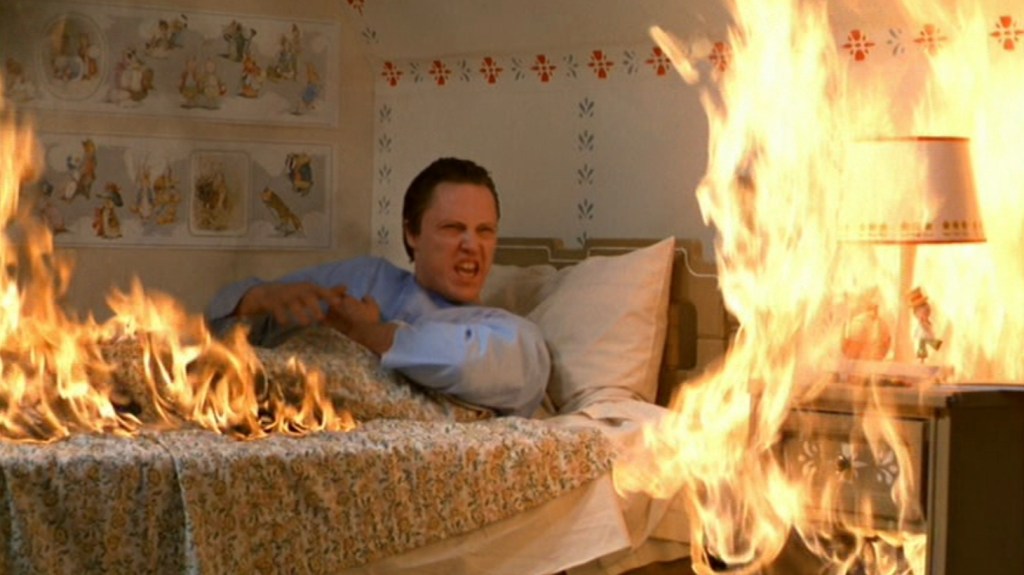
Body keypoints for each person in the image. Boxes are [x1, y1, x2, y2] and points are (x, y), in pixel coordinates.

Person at [205, 157, 549, 417]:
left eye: (485, 231)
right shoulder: (368, 280)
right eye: (453, 228)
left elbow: (469, 366)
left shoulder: (504, 332)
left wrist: (368, 333)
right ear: (412, 233)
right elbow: (214, 319)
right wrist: (259, 298)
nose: (472, 245)